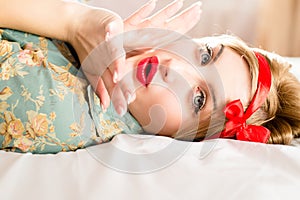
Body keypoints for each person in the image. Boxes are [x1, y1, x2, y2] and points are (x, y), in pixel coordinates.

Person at [1, 1, 300, 154]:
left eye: (199, 99)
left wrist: (72, 19)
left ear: (189, 139)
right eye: (205, 55)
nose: (174, 67)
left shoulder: (58, 108)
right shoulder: (103, 44)